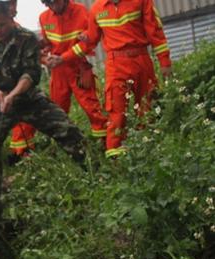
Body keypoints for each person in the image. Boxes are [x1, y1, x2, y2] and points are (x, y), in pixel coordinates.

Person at [0, 1, 85, 197]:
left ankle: (91, 175)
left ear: (10, 18)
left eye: (0, 25)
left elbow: (31, 73)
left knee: (68, 130)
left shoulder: (27, 39)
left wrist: (14, 94)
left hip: (29, 100)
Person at [47, 0, 172, 158]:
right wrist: (64, 57)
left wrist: (165, 61)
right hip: (116, 64)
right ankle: (115, 156)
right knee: (115, 111)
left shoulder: (142, 1)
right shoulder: (97, 9)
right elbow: (90, 42)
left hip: (142, 60)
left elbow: (155, 31)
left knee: (147, 107)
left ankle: (151, 150)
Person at [40, 0, 108, 144]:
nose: (53, 7)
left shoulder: (81, 12)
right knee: (57, 111)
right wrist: (45, 57)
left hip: (78, 68)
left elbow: (88, 42)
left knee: (92, 109)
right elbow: (47, 44)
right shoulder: (44, 17)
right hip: (58, 72)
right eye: (48, 4)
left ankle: (104, 142)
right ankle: (62, 144)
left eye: (54, 3)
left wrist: (63, 58)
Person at [3, 0, 37, 162]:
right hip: (13, 84)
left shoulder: (15, 28)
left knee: (23, 119)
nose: (15, 8)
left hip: (20, 83)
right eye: (11, 4)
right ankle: (21, 152)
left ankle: (22, 150)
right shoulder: (10, 30)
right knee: (22, 118)